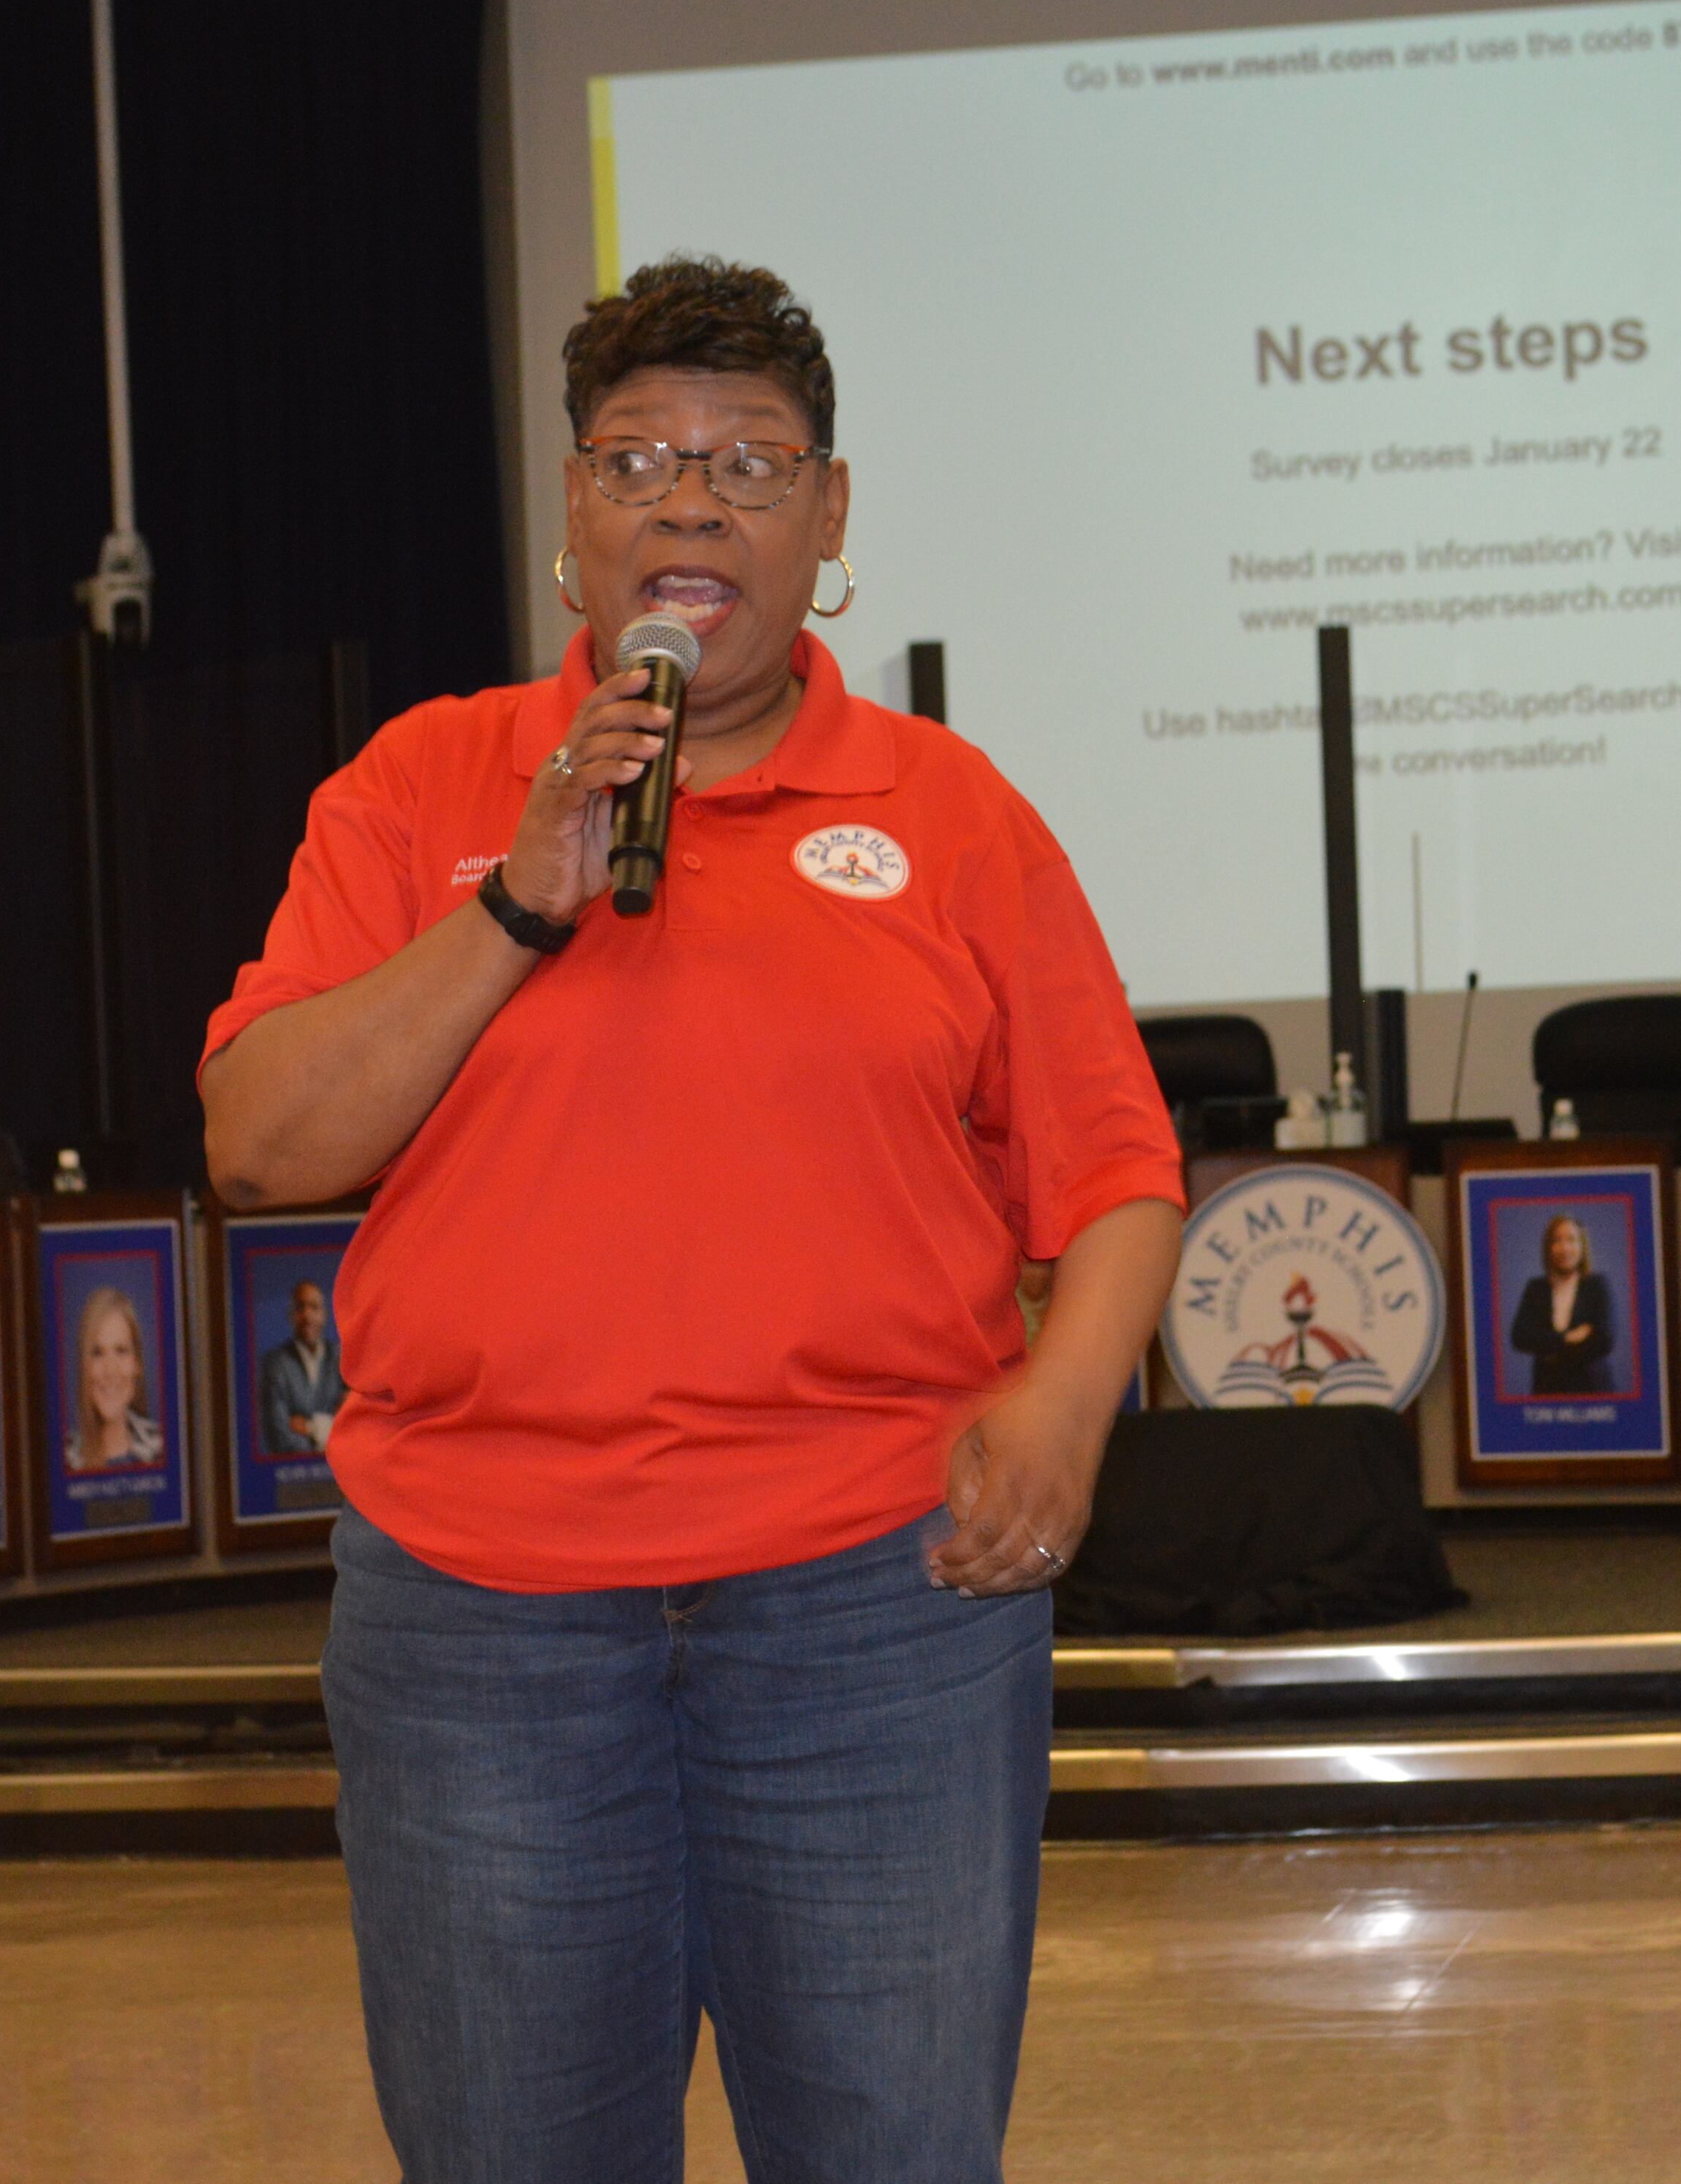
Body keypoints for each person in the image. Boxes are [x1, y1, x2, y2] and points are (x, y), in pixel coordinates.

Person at [197, 256, 1184, 2182]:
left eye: (751, 459)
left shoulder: (952, 810)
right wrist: (521, 892)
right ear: (574, 520)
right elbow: (260, 1141)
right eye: (640, 454)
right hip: (481, 1613)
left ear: (828, 526)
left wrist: (1064, 1403)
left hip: (881, 1604)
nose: (693, 495)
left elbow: (1118, 1172)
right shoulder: (423, 787)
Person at [1508, 1212, 1619, 1396]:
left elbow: (1605, 1340)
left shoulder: (1597, 1286)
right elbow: (1519, 1337)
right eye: (1557, 1241)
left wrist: (1551, 1351)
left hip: (1593, 1392)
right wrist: (1566, 1338)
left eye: (1572, 1240)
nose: (1565, 1248)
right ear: (1548, 1248)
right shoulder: (1536, 1289)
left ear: (1582, 1246)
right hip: (1547, 1392)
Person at [61, 1283, 163, 1473]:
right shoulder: (62, 1459)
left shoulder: (164, 1447)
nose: (110, 1370)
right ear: (84, 1367)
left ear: (137, 1364)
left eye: (121, 1351)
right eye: (98, 1353)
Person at [255, 1277, 344, 1456]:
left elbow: (358, 1427)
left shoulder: (342, 1358)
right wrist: (328, 1442)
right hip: (292, 1476)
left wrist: (311, 1428)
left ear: (325, 1315)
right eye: (300, 1307)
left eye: (314, 1307)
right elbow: (278, 1435)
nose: (307, 1316)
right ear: (291, 1315)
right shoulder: (274, 1364)